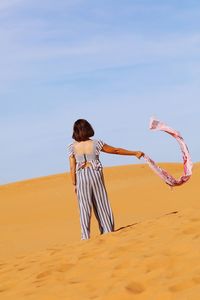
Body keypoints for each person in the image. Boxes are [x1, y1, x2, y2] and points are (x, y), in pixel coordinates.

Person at [67, 119, 144, 240]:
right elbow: (115, 150)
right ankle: (107, 230)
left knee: (84, 207)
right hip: (95, 173)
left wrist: (74, 184)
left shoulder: (72, 147)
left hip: (81, 176)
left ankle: (85, 236)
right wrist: (134, 153)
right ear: (88, 129)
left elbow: (72, 166)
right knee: (101, 201)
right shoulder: (96, 143)